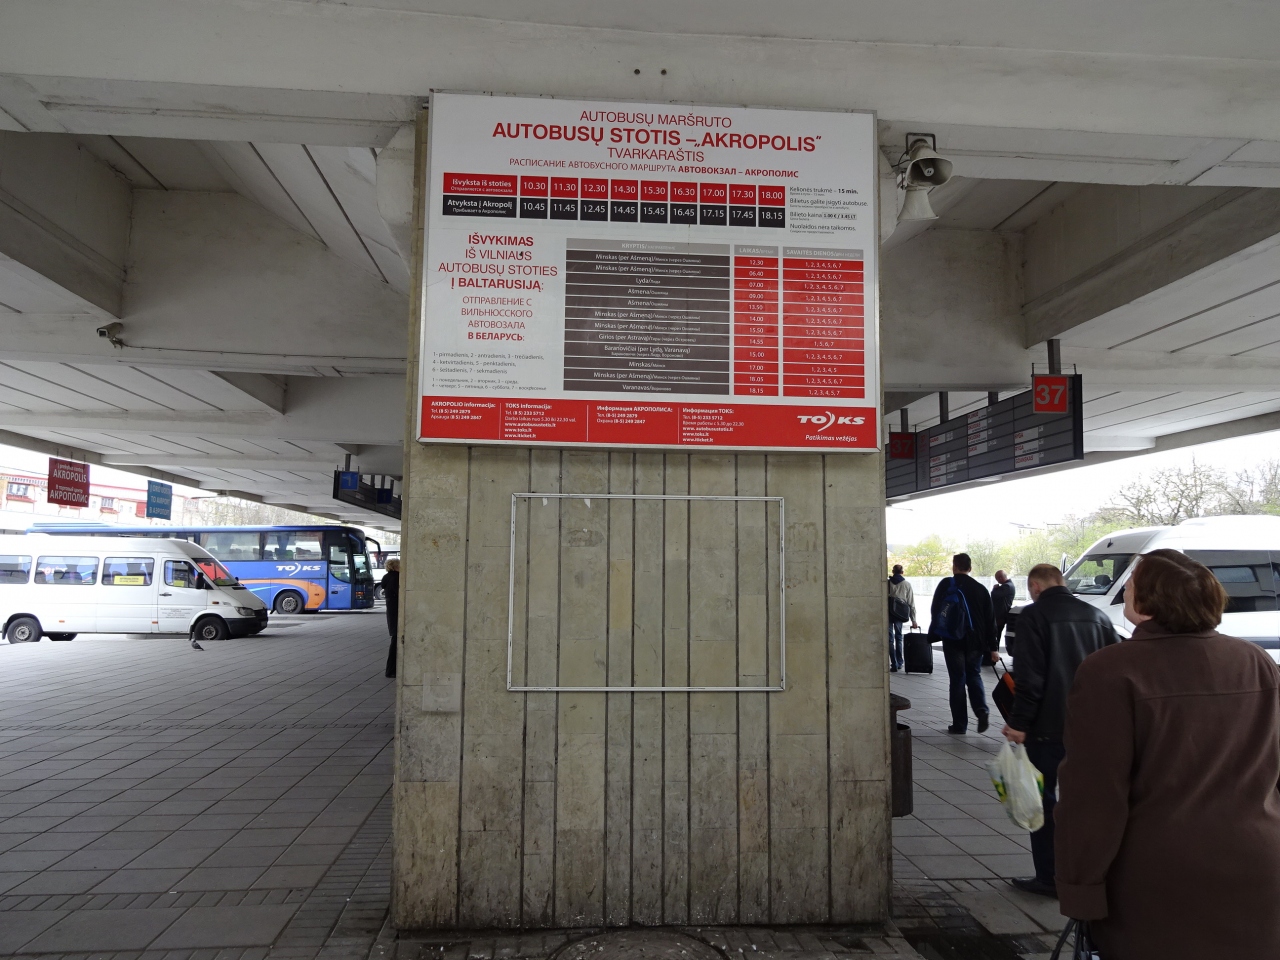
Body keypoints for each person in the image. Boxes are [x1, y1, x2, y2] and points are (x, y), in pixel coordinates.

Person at [1055, 549, 1280, 959]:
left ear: (1147, 600)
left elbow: (1094, 795)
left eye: (1130, 586)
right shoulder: (1256, 661)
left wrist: (1080, 887)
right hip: (1259, 866)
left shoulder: (1110, 670)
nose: (1125, 593)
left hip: (1157, 879)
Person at [1001, 563, 1117, 899]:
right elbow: (1112, 674)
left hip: (1046, 730)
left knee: (1043, 803)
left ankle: (1049, 877)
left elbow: (1030, 679)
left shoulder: (1033, 617)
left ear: (1035, 587)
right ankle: (1086, 874)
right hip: (1088, 730)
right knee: (1083, 804)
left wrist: (1019, 723)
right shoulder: (1098, 617)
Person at [929, 553, 996, 734]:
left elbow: (935, 610)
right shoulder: (981, 589)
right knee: (974, 675)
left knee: (957, 679)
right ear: (970, 568)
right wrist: (993, 647)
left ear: (954, 566)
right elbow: (990, 620)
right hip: (976, 641)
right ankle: (981, 710)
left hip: (953, 639)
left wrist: (938, 632)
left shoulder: (946, 585)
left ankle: (959, 725)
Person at [887, 564, 919, 672]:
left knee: (890, 639)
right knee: (899, 637)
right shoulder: (906, 584)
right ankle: (900, 662)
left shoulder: (887, 583)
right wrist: (913, 620)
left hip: (888, 613)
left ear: (893, 572)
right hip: (899, 614)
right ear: (902, 572)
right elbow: (911, 603)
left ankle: (894, 663)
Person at [382, 557, 400, 678]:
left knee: (395, 639)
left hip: (391, 612)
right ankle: (390, 670)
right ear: (395, 567)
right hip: (397, 611)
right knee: (396, 642)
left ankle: (391, 669)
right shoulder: (396, 578)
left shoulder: (386, 577)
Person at [990, 569, 1015, 650]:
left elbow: (994, 595)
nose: (997, 581)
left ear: (1000, 577)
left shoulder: (1007, 586)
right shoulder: (1009, 585)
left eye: (997, 578)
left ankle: (994, 652)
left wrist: (994, 589)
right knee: (996, 634)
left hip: (1000, 615)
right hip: (1001, 615)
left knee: (995, 635)